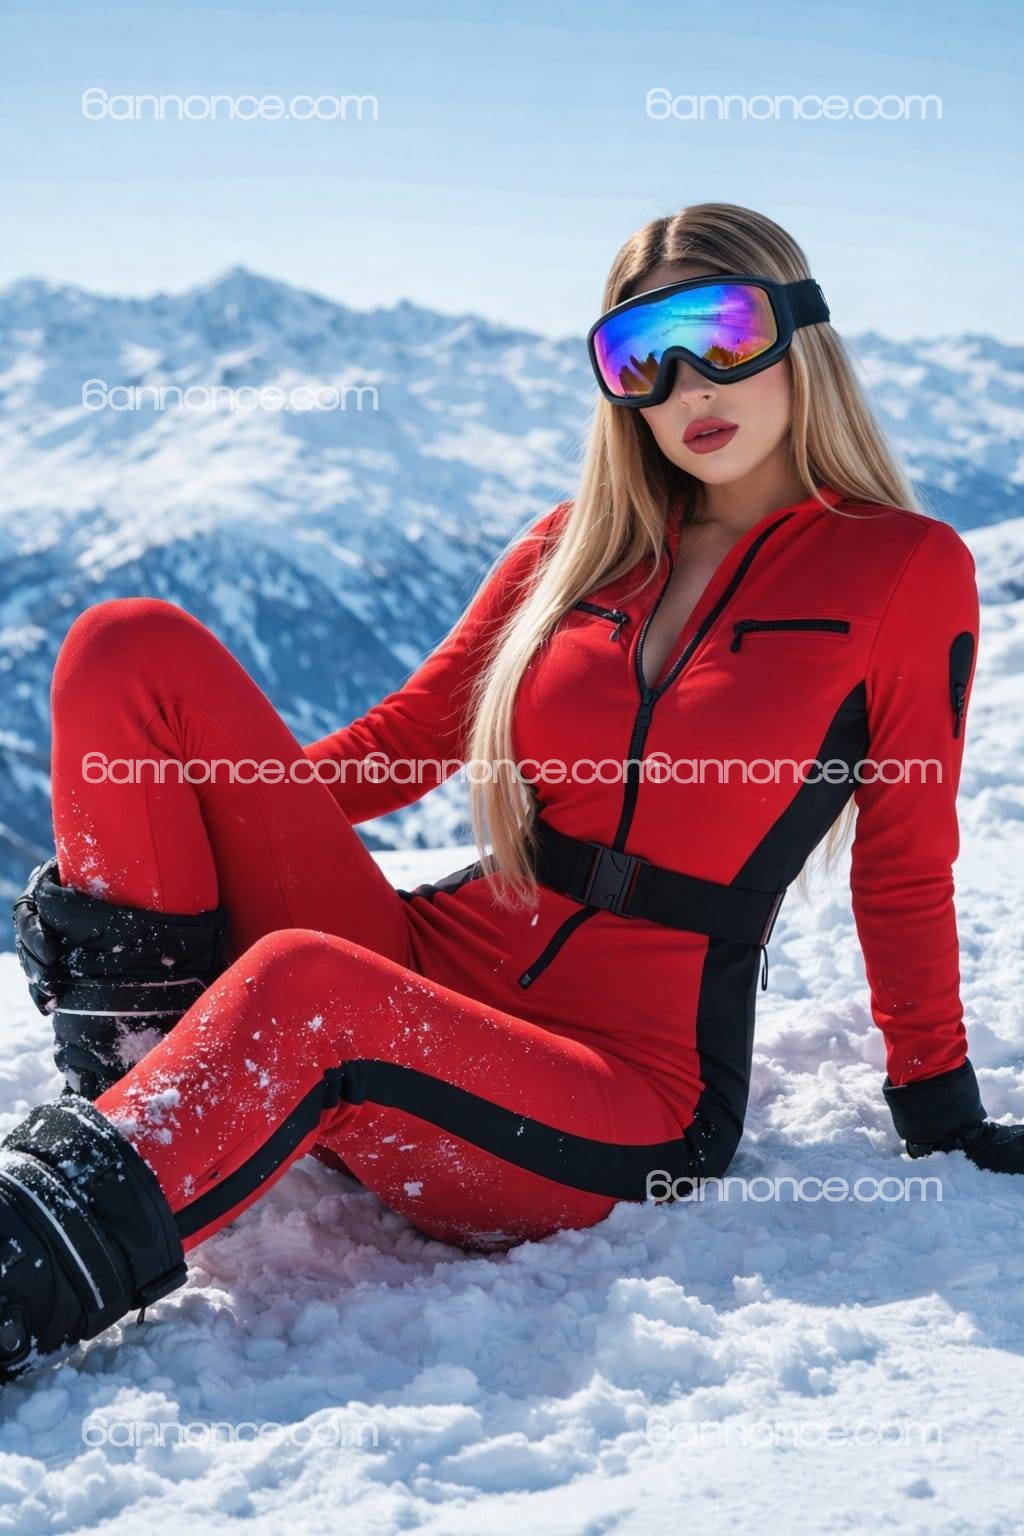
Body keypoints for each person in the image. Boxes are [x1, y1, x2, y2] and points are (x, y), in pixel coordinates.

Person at [3, 201, 1020, 1385]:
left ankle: (26, 1264)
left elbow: (903, 860)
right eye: (639, 355)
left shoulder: (901, 566)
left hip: (626, 1086)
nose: (687, 383)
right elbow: (404, 743)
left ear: (802, 332)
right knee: (127, 646)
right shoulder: (574, 547)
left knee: (306, 986)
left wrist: (937, 1102)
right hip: (438, 961)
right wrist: (189, 819)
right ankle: (142, 1071)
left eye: (723, 332)